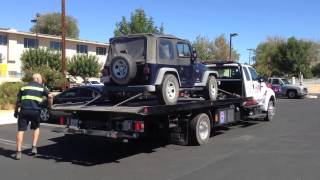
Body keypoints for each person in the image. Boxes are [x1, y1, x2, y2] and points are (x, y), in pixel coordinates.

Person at [14, 73, 53, 160]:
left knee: (21, 130)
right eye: (41, 79)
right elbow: (50, 96)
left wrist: (16, 111)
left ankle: (18, 152)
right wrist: (50, 106)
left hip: (24, 111)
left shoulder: (24, 87)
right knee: (36, 128)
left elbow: (17, 101)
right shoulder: (41, 87)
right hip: (35, 111)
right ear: (38, 79)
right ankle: (34, 147)